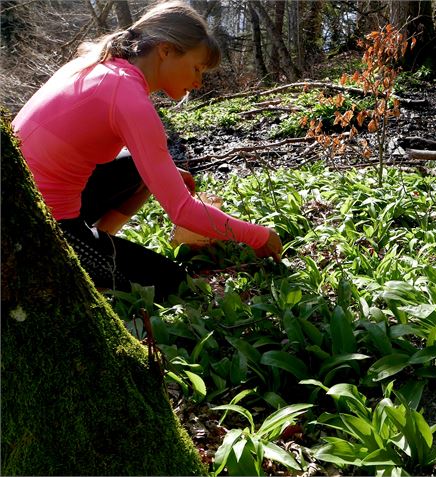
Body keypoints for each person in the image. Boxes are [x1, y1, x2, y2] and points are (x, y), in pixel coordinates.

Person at [11, 1, 282, 300]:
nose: (197, 81)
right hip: (35, 230)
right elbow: (183, 212)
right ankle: (89, 253)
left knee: (134, 167)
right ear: (165, 50)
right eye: (196, 68)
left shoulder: (96, 65)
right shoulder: (129, 98)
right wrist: (259, 235)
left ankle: (101, 241)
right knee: (179, 286)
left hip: (20, 203)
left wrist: (166, 174)